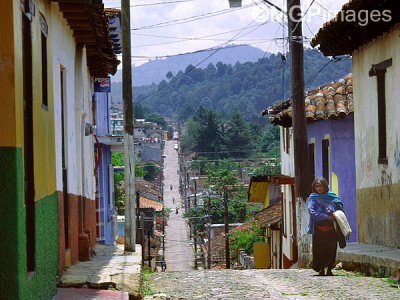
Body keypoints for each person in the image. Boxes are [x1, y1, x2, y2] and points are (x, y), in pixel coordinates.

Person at [308, 177, 344, 276]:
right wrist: (326, 217)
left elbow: (339, 207)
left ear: (325, 186)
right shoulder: (313, 198)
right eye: (317, 186)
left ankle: (329, 269)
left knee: (331, 249)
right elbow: (312, 212)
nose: (319, 188)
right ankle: (321, 269)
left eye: (321, 186)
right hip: (319, 229)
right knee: (320, 250)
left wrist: (337, 215)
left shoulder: (332, 197)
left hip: (332, 229)